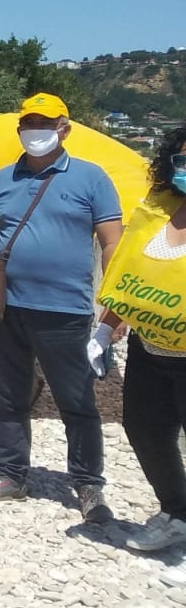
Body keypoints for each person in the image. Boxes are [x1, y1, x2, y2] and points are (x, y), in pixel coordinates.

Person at [0, 93, 123, 523]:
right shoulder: (2, 180)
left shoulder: (91, 178)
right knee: (8, 395)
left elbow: (112, 244)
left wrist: (116, 306)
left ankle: (88, 485)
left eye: (45, 122)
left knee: (76, 399)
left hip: (65, 310)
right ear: (20, 128)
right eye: (29, 122)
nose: (36, 129)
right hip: (5, 307)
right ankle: (11, 475)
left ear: (64, 128)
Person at [94, 126, 186, 551]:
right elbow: (131, 276)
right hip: (149, 348)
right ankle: (176, 511)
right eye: (182, 159)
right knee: (146, 430)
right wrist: (106, 327)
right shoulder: (158, 209)